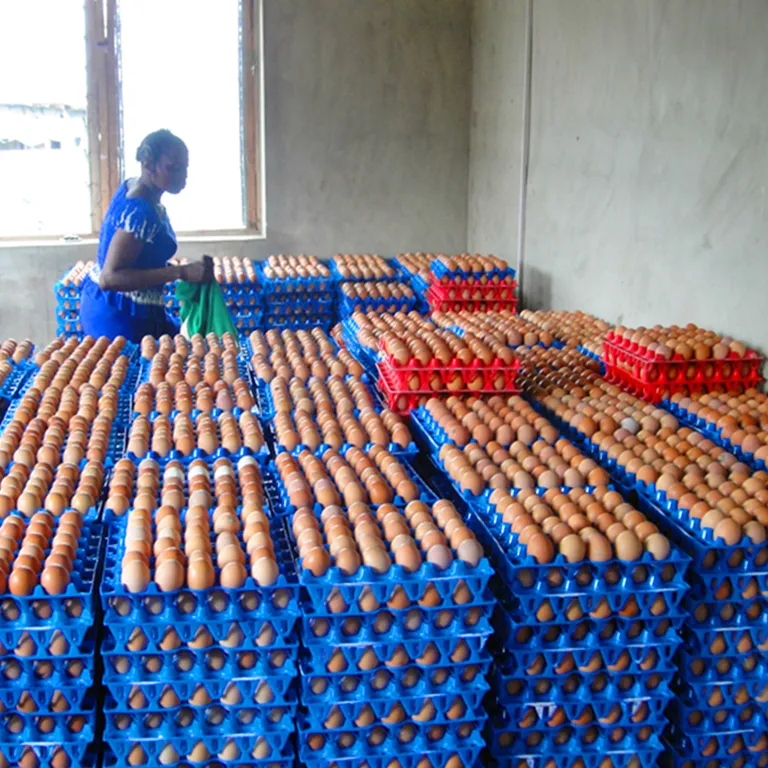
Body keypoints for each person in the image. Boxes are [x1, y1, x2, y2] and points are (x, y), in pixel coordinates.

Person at [79, 129, 211, 341]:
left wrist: (184, 271)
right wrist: (180, 273)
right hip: (119, 315)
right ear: (149, 166)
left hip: (112, 303)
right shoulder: (141, 211)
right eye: (173, 168)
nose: (182, 176)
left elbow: (137, 260)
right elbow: (110, 278)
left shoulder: (134, 187)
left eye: (185, 168)